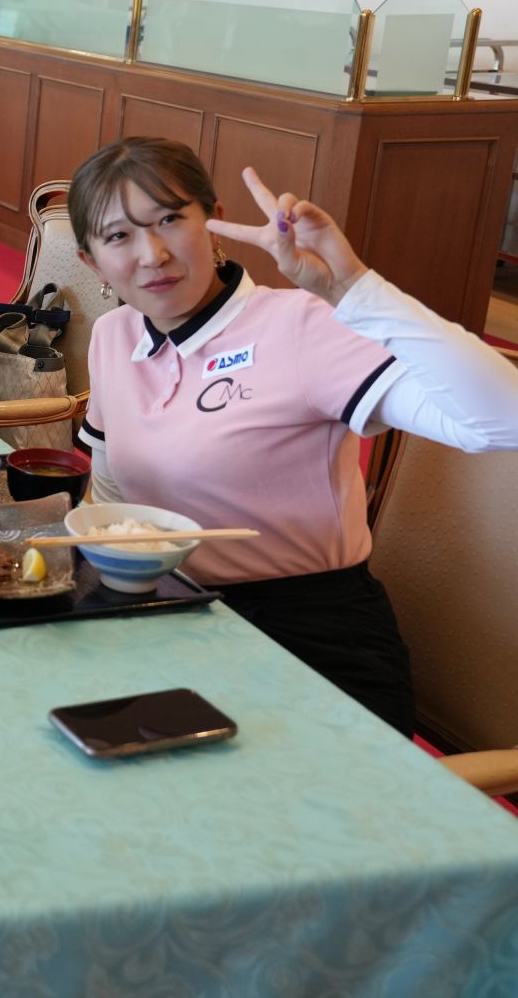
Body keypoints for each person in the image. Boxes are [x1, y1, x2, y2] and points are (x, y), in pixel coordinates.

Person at [69, 138, 518, 737]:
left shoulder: (302, 326)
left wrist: (354, 289)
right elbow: (108, 492)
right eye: (119, 236)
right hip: (169, 619)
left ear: (214, 220)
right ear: (92, 261)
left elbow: (503, 420)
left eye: (170, 219)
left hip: (310, 640)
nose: (153, 255)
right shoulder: (115, 335)